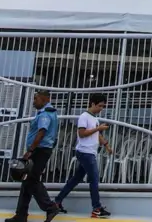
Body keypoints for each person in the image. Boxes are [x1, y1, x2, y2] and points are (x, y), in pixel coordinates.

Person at [54, 93, 113, 218]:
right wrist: (98, 129)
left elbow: (97, 135)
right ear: (92, 103)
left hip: (89, 152)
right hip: (85, 152)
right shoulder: (84, 117)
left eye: (103, 106)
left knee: (76, 179)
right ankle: (96, 208)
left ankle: (57, 202)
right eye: (100, 106)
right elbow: (82, 133)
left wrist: (106, 145)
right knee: (94, 179)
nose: (101, 108)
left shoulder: (95, 118)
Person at [7, 90, 59, 222]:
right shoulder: (49, 112)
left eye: (36, 99)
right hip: (41, 150)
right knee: (27, 181)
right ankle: (21, 214)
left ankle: (50, 207)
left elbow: (41, 132)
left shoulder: (45, 114)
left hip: (39, 151)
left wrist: (30, 150)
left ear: (44, 99)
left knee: (32, 180)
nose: (34, 102)